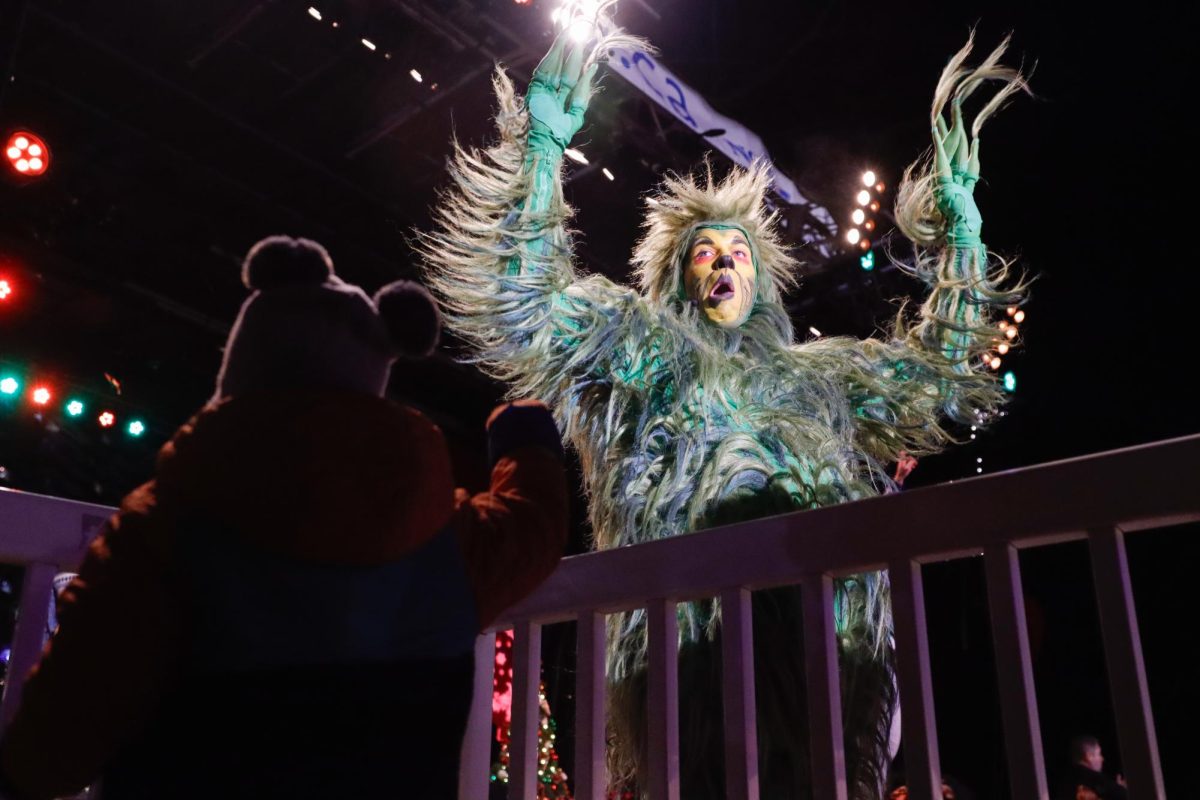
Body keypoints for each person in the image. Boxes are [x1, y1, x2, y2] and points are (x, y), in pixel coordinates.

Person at [422, 21, 1027, 798]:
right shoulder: (642, 347)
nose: (724, 262)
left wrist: (964, 250)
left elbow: (941, 379)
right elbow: (527, 300)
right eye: (705, 250)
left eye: (739, 252)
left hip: (829, 651)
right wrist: (541, 146)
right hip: (693, 657)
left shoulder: (821, 375)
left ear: (764, 282)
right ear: (676, 272)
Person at [0, 236, 568, 799]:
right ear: (377, 372)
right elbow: (529, 531)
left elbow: (51, 750)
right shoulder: (441, 538)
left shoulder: (160, 529)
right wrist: (525, 444)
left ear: (240, 370)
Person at [1055, 736, 1128, 800]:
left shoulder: (1063, 785)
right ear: (1089, 756)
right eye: (1099, 754)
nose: (1102, 759)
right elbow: (1124, 796)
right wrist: (1122, 789)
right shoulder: (1095, 779)